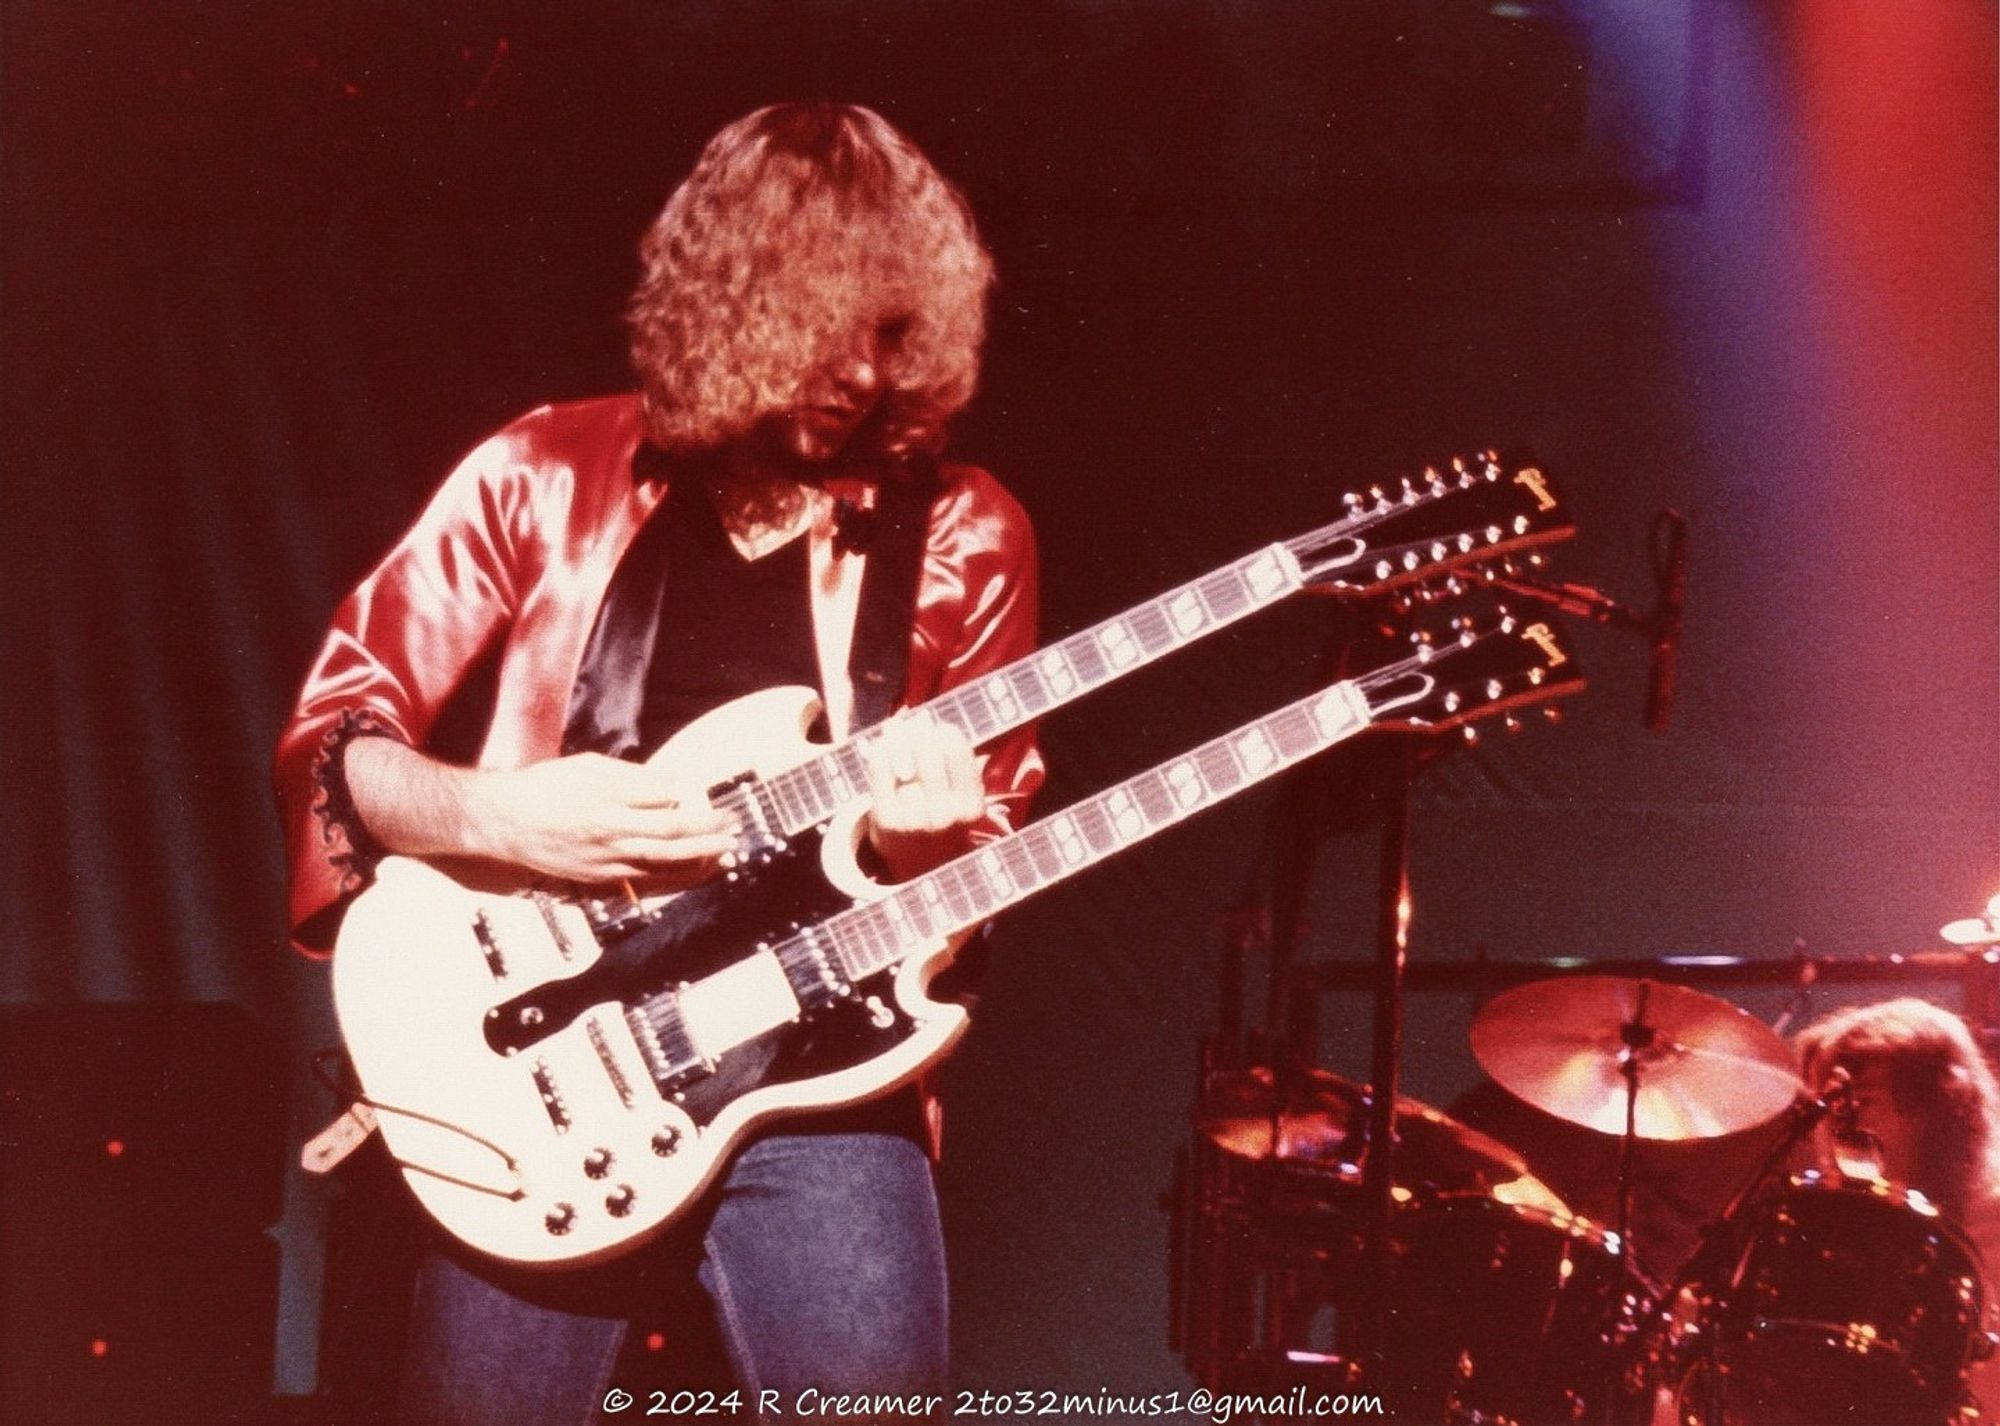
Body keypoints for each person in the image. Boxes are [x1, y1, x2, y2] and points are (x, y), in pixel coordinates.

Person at [274, 102, 1042, 1425]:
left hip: (817, 1072)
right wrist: (501, 816)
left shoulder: (966, 532)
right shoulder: (544, 473)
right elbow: (340, 737)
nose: (858, 370)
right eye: (820, 319)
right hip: (543, 1063)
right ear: (727, 301)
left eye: (889, 329)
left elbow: (983, 856)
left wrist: (931, 845)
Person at [1792, 998, 2000, 1416]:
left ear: (1940, 1111)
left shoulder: (1993, 1223)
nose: (1839, 1127)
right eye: (1829, 1105)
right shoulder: (1835, 1242)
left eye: (1862, 1103)